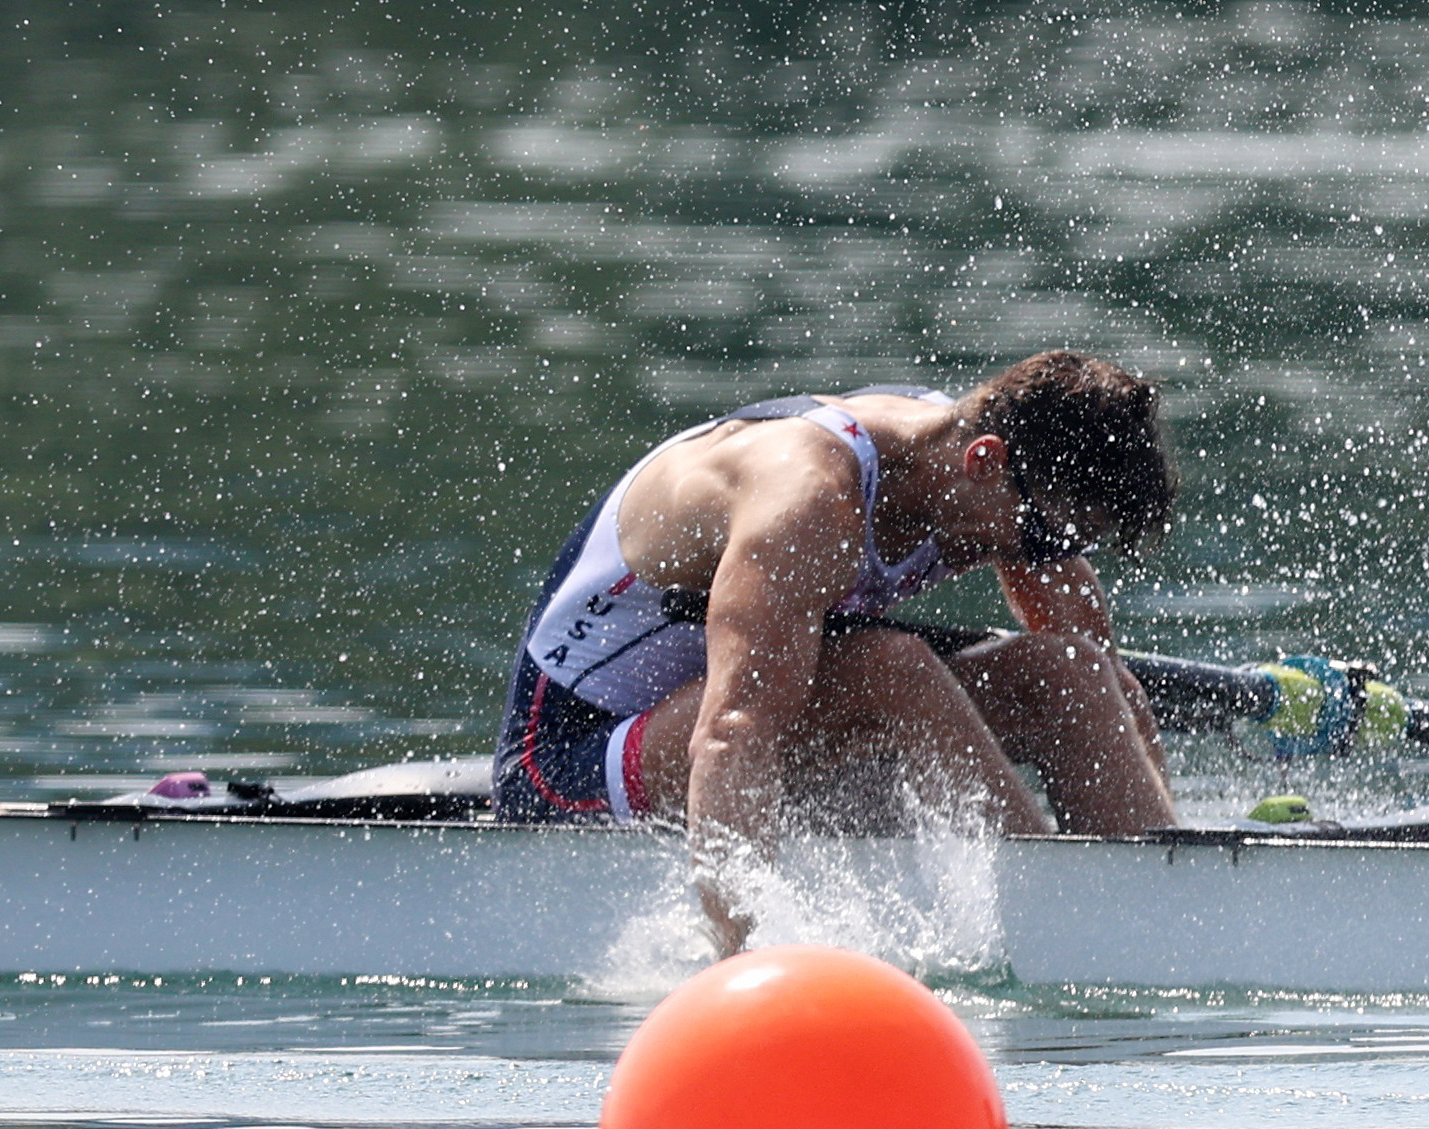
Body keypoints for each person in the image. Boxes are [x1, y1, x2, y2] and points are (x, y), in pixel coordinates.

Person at [496, 351, 1183, 950]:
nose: (1045, 559)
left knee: (1070, 674)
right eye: (1046, 540)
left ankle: (1159, 912)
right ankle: (1053, 926)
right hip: (572, 760)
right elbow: (733, 734)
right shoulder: (805, 498)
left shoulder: (999, 475)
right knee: (892, 670)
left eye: (1071, 547)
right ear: (984, 461)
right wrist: (742, 964)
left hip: (745, 727)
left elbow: (1109, 689)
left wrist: (1179, 845)